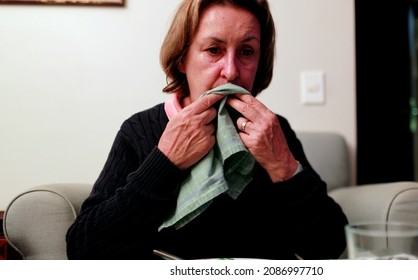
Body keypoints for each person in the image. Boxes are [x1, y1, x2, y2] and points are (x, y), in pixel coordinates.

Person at [66, 0, 348, 260]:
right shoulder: (140, 130)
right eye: (214, 50)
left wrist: (283, 166)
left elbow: (330, 247)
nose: (231, 71)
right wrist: (164, 163)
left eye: (247, 52)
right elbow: (84, 249)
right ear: (182, 59)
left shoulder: (275, 130)